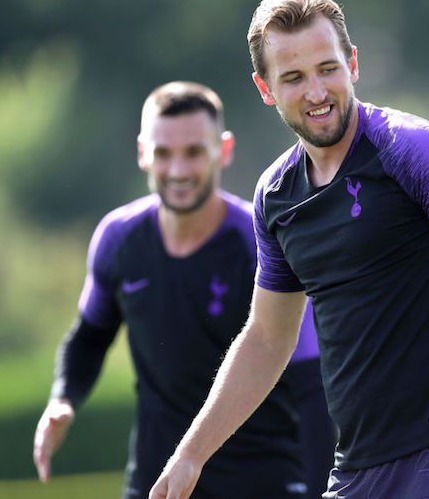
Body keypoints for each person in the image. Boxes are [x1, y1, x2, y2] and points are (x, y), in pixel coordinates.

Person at [151, 0, 429, 499]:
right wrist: (190, 455)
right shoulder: (275, 195)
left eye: (327, 69)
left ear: (352, 63)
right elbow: (268, 338)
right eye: (293, 77)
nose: (316, 91)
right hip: (356, 473)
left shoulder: (417, 151)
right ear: (265, 88)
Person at [33, 80, 335, 499]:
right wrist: (63, 399)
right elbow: (90, 335)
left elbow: (309, 384)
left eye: (193, 152)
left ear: (223, 151)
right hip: (157, 483)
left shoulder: (260, 242)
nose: (177, 170)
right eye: (163, 153)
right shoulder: (118, 239)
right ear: (143, 153)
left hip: (264, 483)